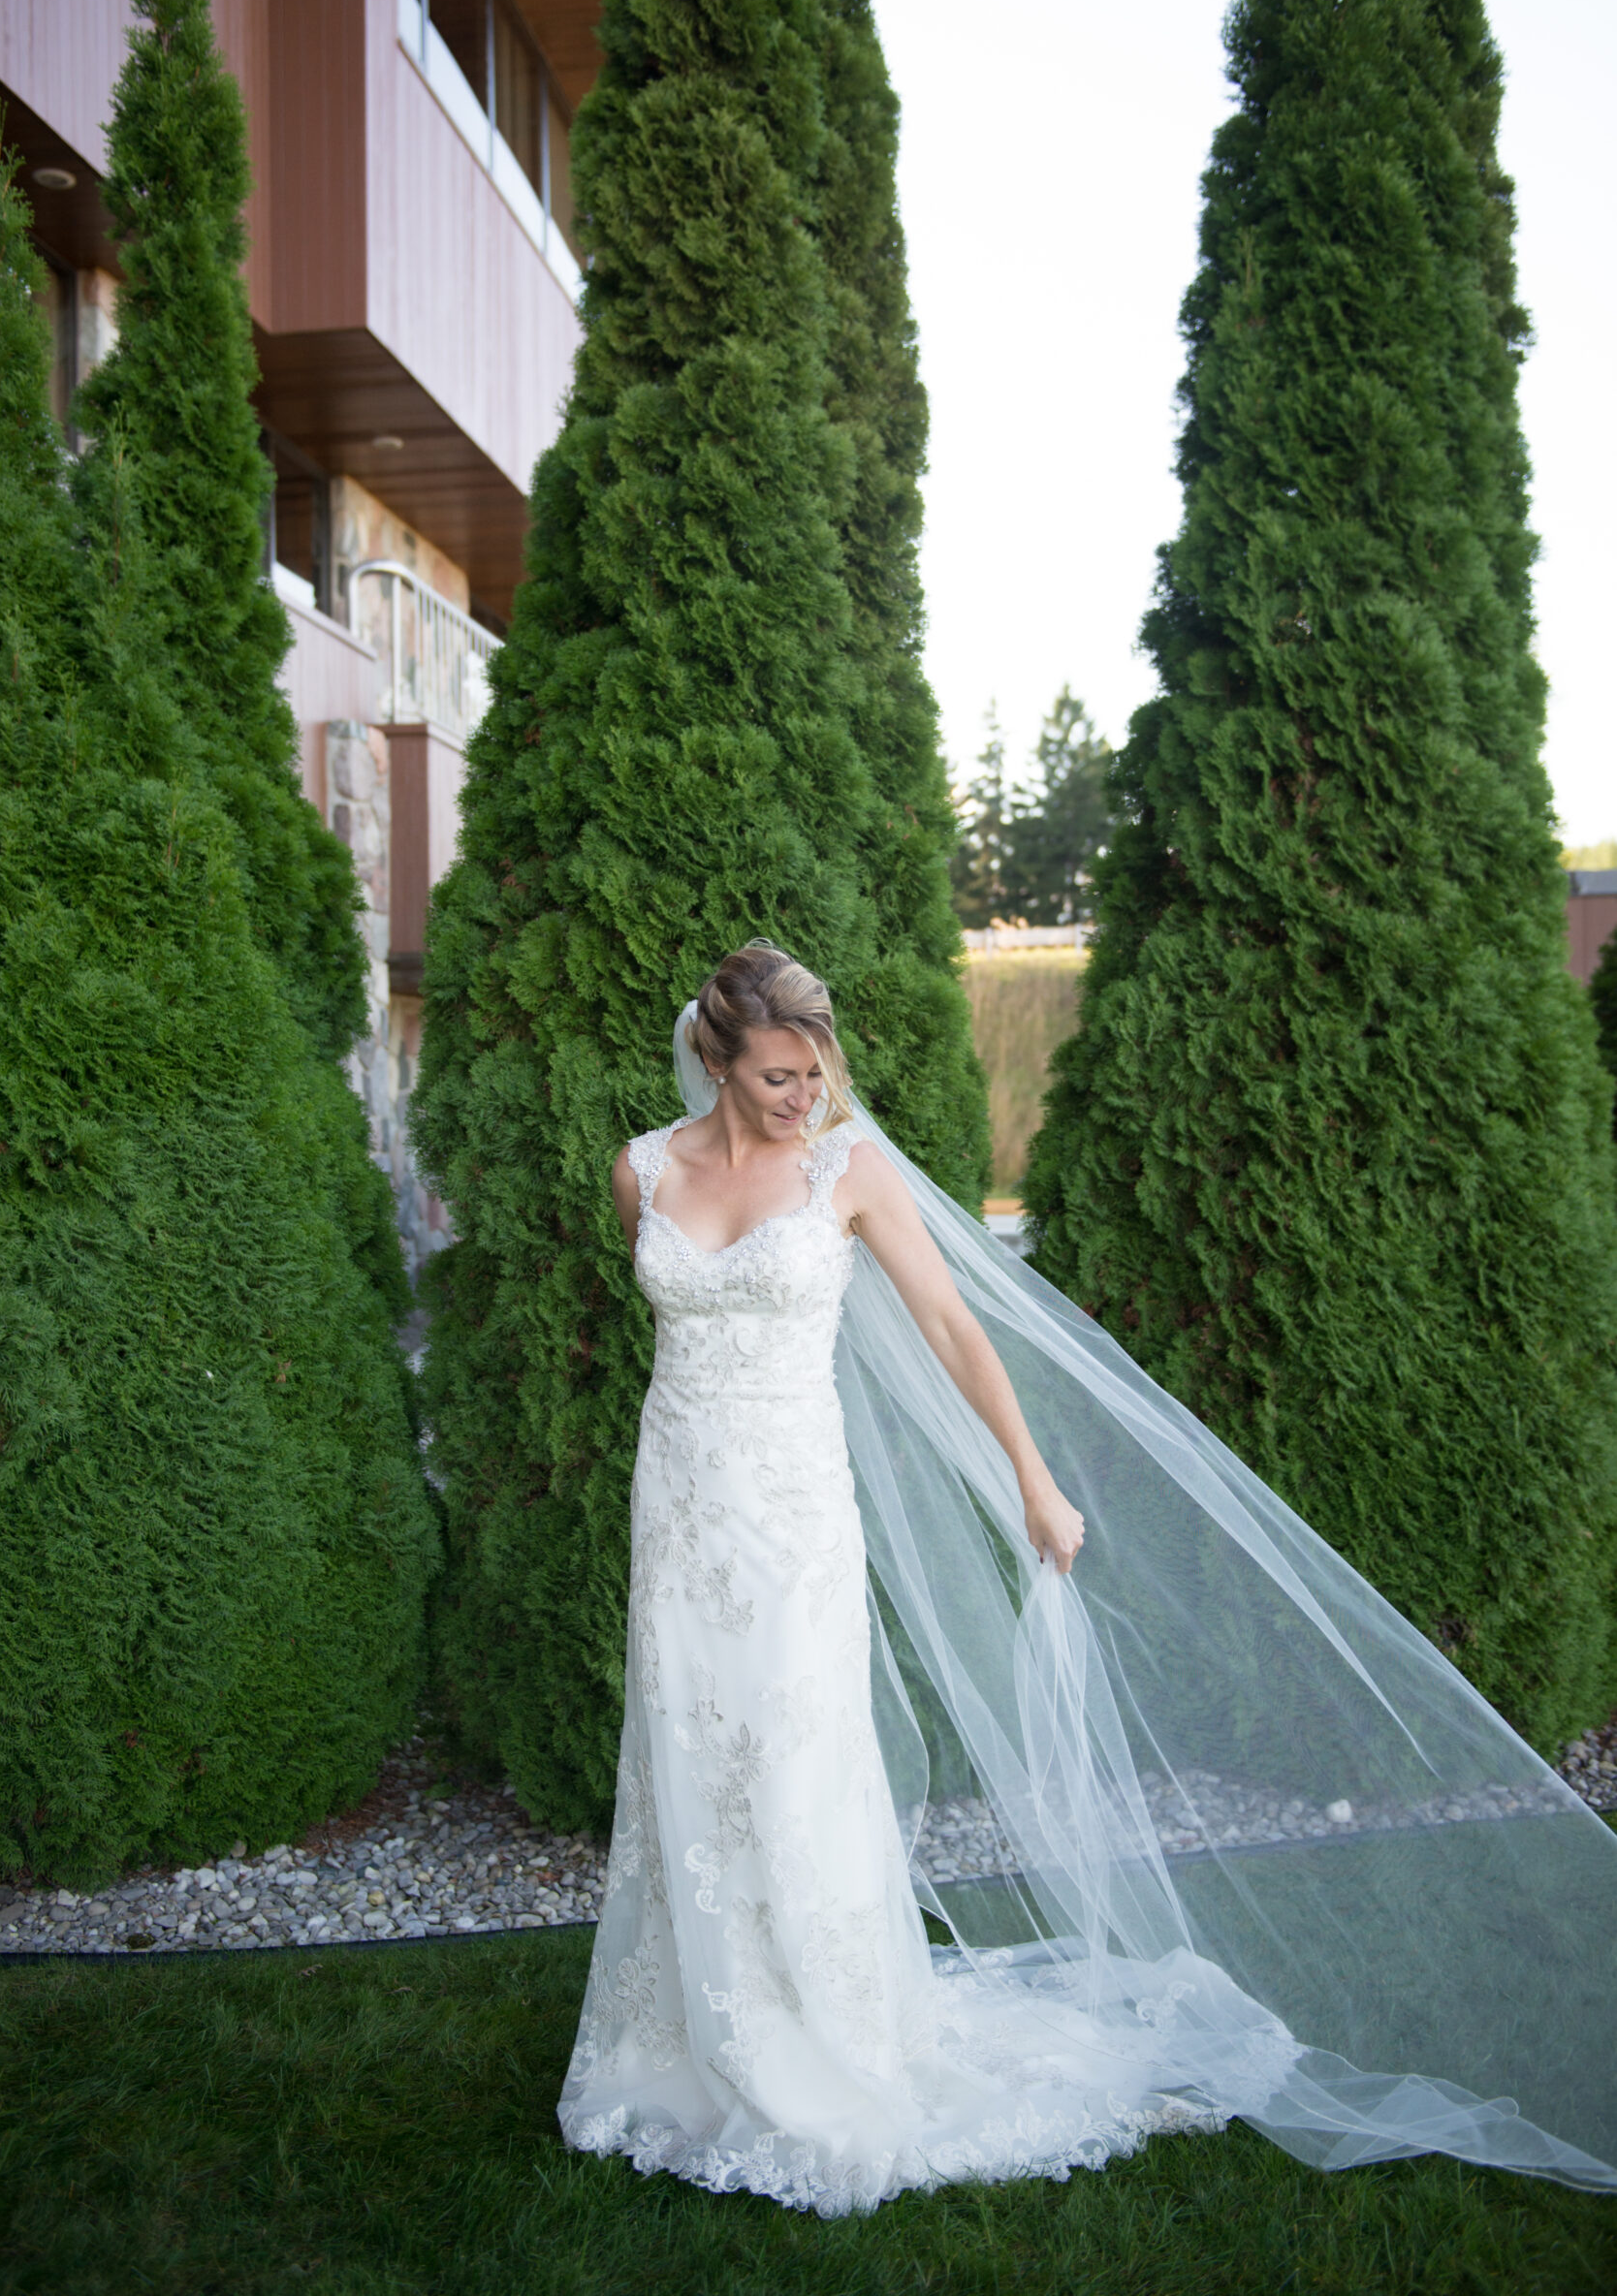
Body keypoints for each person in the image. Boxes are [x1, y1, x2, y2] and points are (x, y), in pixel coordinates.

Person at [558, 942, 1617, 2213]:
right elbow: (677, 1334)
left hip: (790, 1516)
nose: (803, 1094)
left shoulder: (850, 1169)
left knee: (791, 1752)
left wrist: (1031, 1480)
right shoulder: (640, 1171)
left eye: (816, 1069)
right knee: (689, 1746)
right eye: (778, 1074)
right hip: (678, 1505)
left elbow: (953, 1325)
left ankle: (822, 2045)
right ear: (715, 1060)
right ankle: (686, 2035)